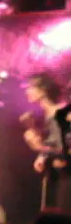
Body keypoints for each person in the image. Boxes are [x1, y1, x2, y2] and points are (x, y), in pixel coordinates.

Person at [21, 72, 71, 211]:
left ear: (43, 90)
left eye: (30, 87)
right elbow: (54, 143)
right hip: (57, 176)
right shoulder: (45, 115)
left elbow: (65, 150)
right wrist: (42, 156)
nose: (26, 91)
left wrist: (40, 148)